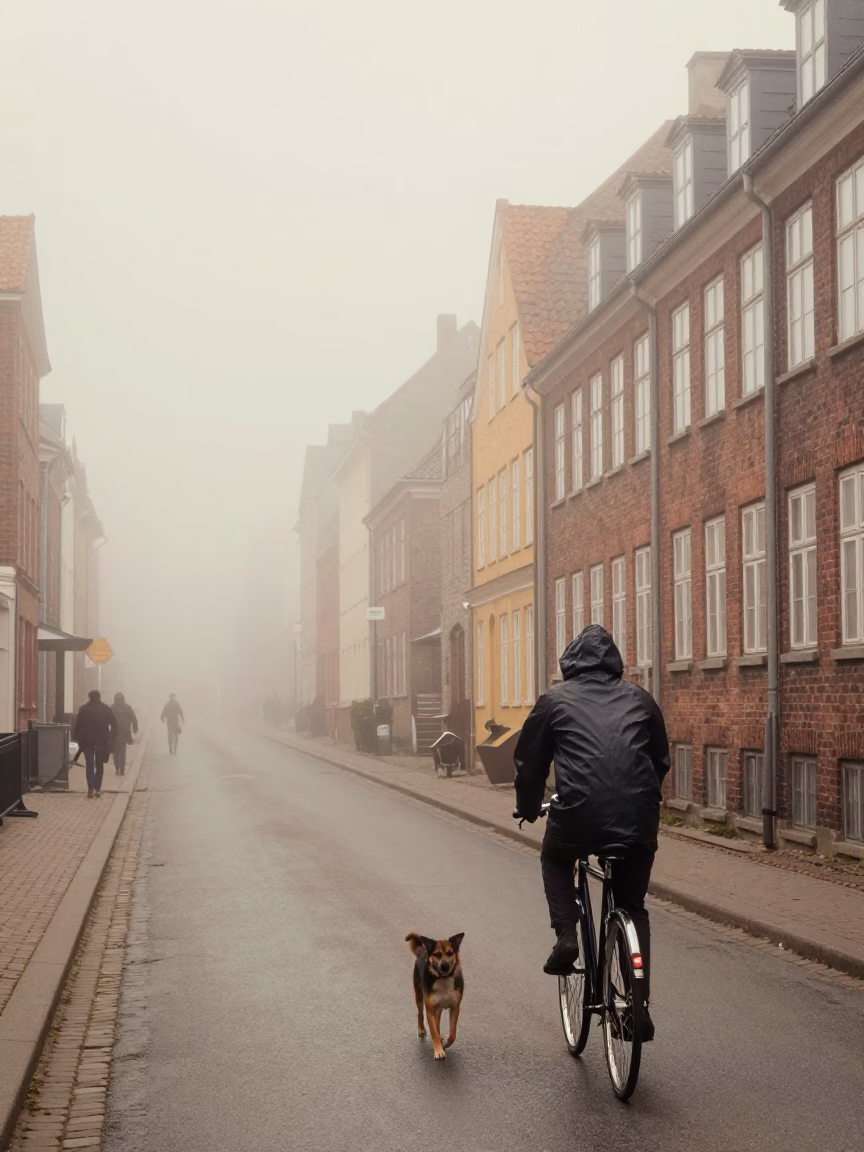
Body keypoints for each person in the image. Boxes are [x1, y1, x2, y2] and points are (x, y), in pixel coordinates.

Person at [513, 625, 670, 1040]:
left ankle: (567, 935)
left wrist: (528, 808)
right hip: (639, 819)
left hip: (578, 816)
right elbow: (661, 760)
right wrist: (639, 801)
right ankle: (639, 1006)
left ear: (570, 664)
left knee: (555, 856)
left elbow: (530, 764)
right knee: (633, 906)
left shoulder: (554, 701)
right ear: (614, 662)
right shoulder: (640, 697)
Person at [72, 689, 117, 799]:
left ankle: (91, 788)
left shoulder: (83, 709)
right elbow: (115, 725)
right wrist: (111, 738)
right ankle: (98, 788)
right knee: (99, 765)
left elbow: (78, 726)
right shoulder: (106, 709)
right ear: (99, 697)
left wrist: (77, 739)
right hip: (102, 741)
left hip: (87, 742)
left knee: (90, 765)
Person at [110, 692, 139, 775]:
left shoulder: (112, 707)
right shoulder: (127, 707)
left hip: (115, 732)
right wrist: (135, 728)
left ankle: (118, 768)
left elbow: (106, 719)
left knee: (116, 751)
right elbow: (134, 718)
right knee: (122, 751)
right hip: (124, 732)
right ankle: (121, 769)